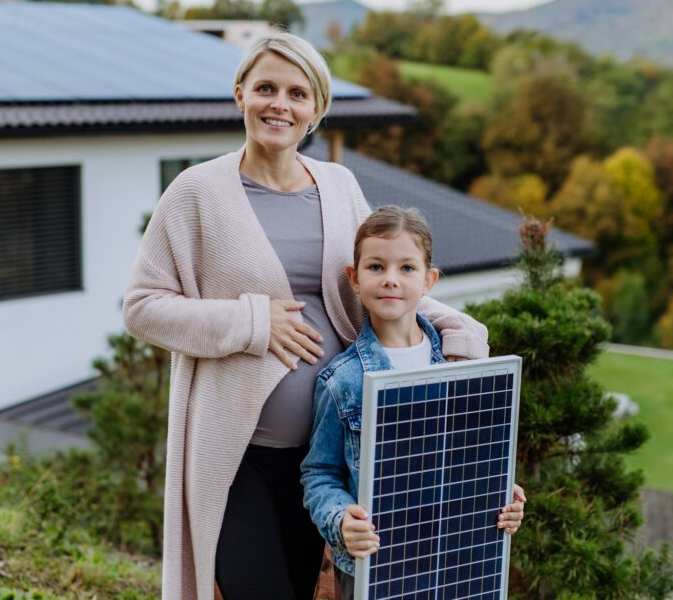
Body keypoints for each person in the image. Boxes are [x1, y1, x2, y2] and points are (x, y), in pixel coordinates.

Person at [122, 33, 491, 600]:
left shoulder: (339, 185)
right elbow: (144, 308)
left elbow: (383, 277)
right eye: (266, 88)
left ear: (315, 109)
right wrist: (251, 323)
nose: (280, 104)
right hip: (235, 454)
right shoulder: (196, 192)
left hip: (324, 457)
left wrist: (453, 328)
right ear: (240, 93)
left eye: (298, 93)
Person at [300, 206, 527, 600]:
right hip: (374, 566)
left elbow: (474, 459)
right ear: (354, 278)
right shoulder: (343, 381)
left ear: (429, 280)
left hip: (456, 558)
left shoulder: (462, 368)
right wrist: (340, 520)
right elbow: (319, 474)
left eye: (406, 268)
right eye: (376, 267)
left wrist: (502, 495)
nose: (390, 279)